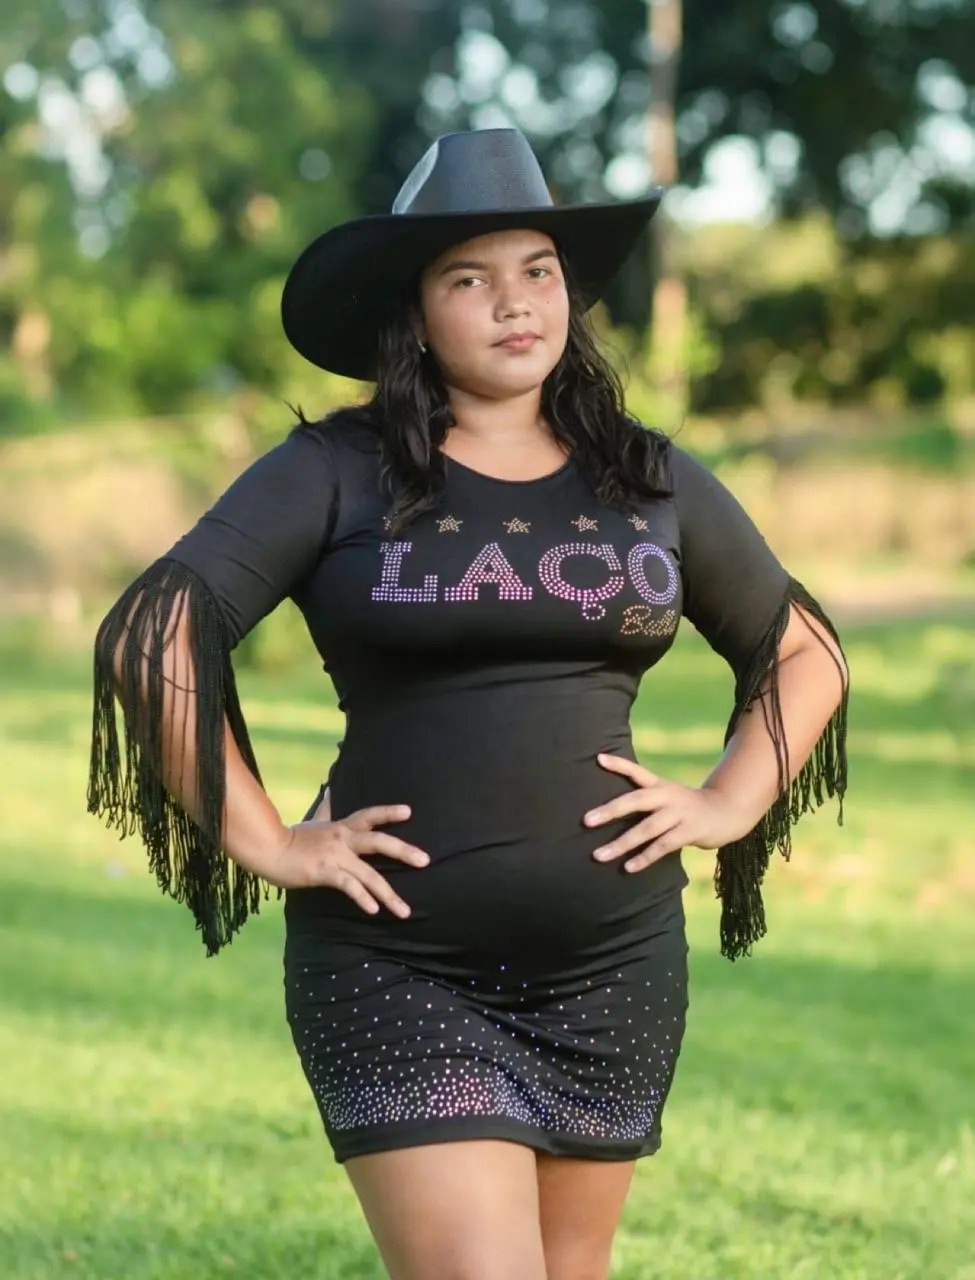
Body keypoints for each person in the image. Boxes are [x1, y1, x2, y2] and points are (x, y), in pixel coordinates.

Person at [88, 128, 849, 1280]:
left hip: (614, 967)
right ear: (415, 310)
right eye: (469, 278)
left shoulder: (646, 476)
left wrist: (728, 801)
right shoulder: (336, 469)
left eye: (537, 269)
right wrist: (265, 840)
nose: (514, 301)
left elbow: (803, 652)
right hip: (400, 966)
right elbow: (155, 633)